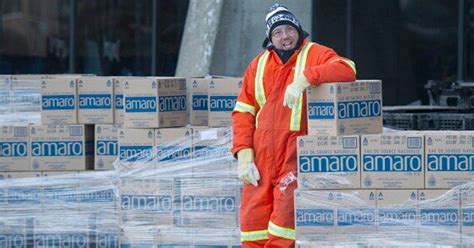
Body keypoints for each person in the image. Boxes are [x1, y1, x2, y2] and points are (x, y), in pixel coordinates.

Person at [231, 4, 357, 247]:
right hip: (261, 157)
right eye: (277, 32)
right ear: (270, 38)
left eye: (289, 29)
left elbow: (347, 69)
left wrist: (306, 78)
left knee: (284, 222)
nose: (285, 36)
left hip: (294, 154)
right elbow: (244, 111)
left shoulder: (315, 53)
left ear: (299, 30)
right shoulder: (258, 64)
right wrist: (244, 155)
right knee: (252, 223)